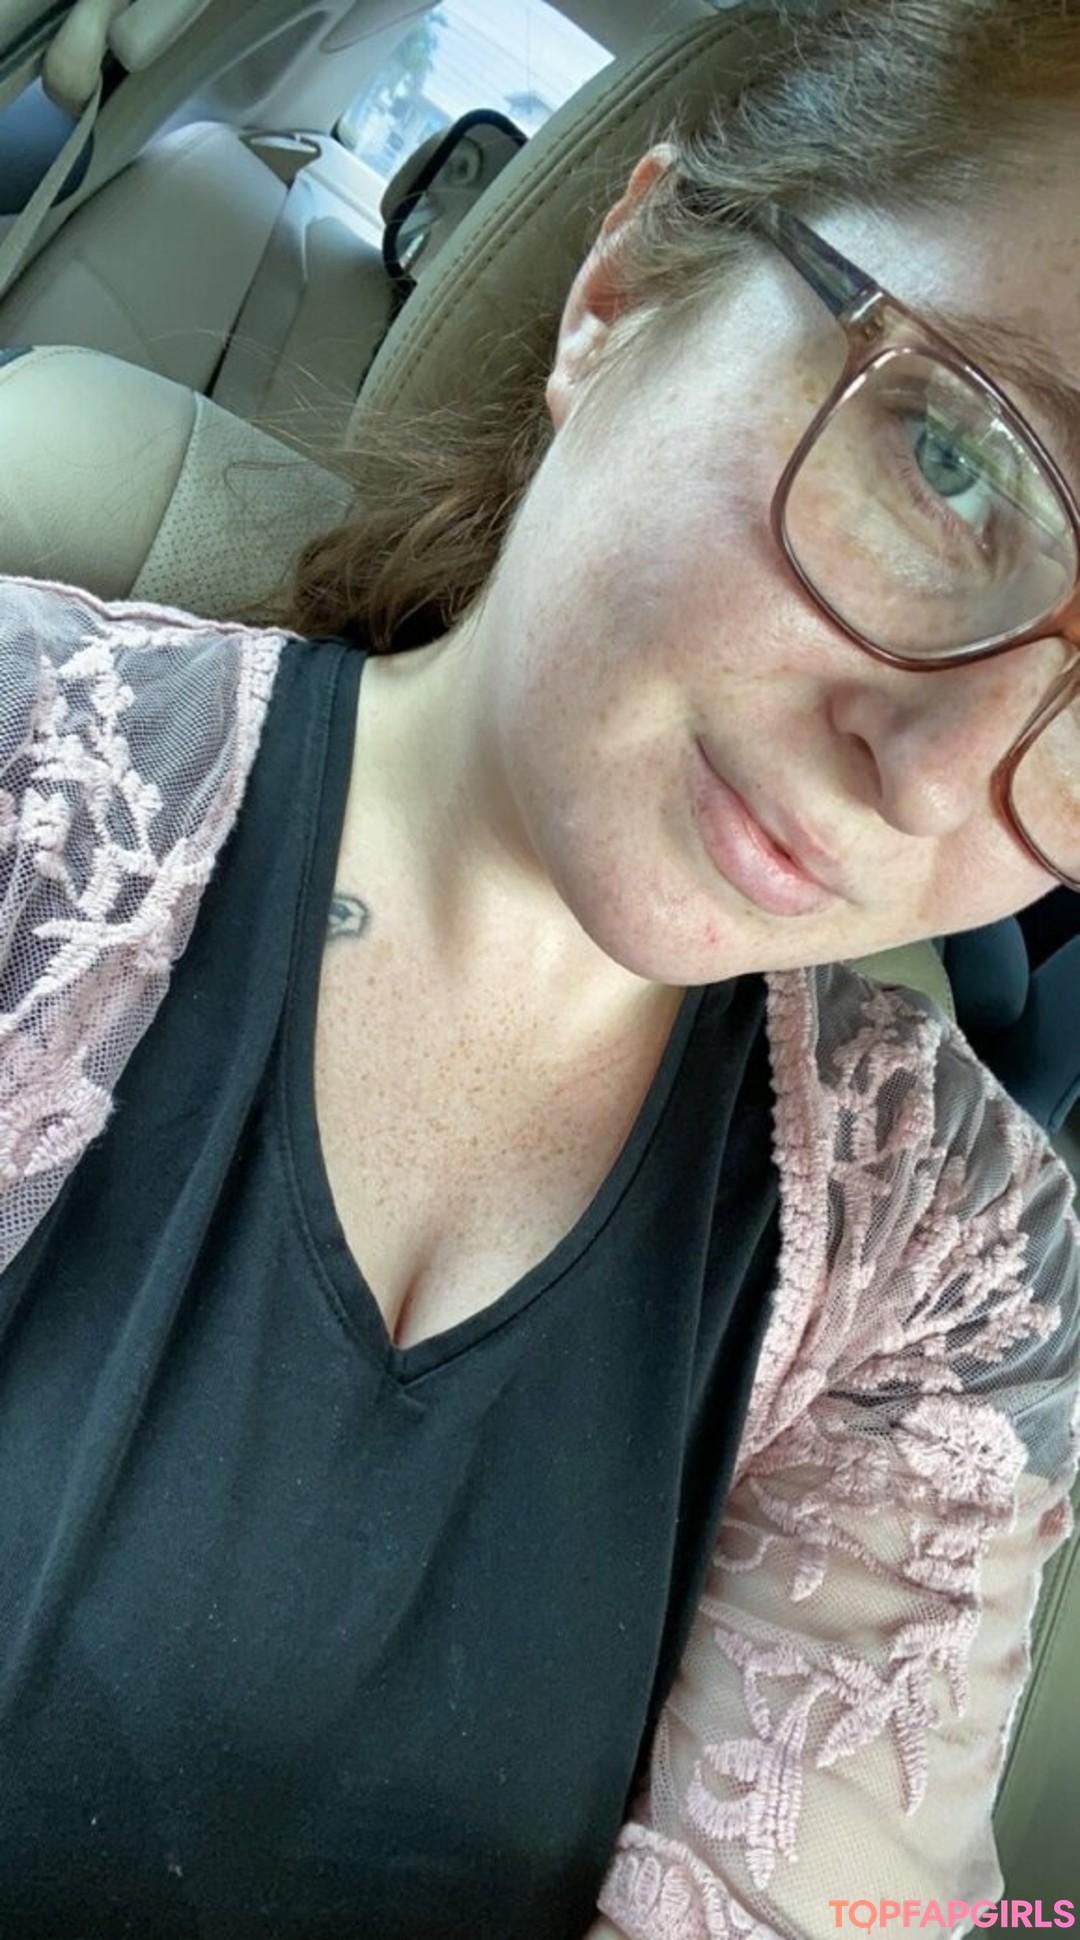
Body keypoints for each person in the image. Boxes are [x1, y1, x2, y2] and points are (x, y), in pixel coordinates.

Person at [1, 1, 1079, 1935]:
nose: (934, 775)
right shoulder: (28, 772)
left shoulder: (957, 1261)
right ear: (617, 289)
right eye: (951, 462)